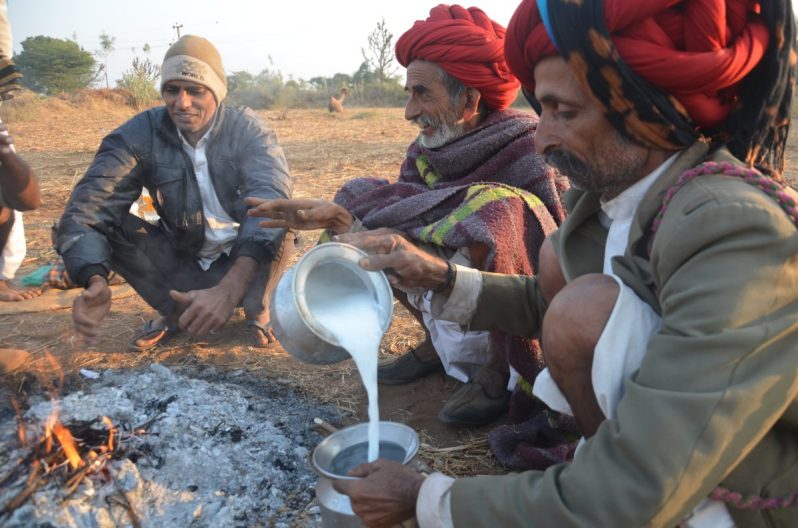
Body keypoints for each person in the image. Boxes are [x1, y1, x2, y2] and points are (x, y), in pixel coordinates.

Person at [331, 0, 798, 526]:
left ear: (644, 111)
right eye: (543, 110)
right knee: (558, 267)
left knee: (582, 308)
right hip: (667, 465)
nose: (541, 138)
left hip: (743, 501)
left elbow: (633, 489)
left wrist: (427, 499)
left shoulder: (730, 228)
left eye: (565, 113)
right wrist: (437, 275)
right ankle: (599, 454)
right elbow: (542, 300)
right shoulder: (622, 196)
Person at [247, 5, 567, 427]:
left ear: (469, 100)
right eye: (408, 94)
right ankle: (436, 342)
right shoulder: (426, 151)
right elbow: (406, 212)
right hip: (444, 288)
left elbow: (552, 249)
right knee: (362, 196)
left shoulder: (526, 150)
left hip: (508, 309)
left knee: (500, 213)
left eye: (422, 94)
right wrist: (339, 219)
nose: (409, 112)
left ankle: (495, 369)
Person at [55, 35, 293, 350]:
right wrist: (94, 278)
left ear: (217, 92)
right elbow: (88, 210)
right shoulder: (139, 134)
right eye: (171, 90)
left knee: (278, 217)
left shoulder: (248, 130)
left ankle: (258, 311)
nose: (181, 103)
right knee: (115, 222)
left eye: (195, 90)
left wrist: (227, 292)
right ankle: (175, 310)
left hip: (245, 267)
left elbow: (270, 197)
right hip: (185, 259)